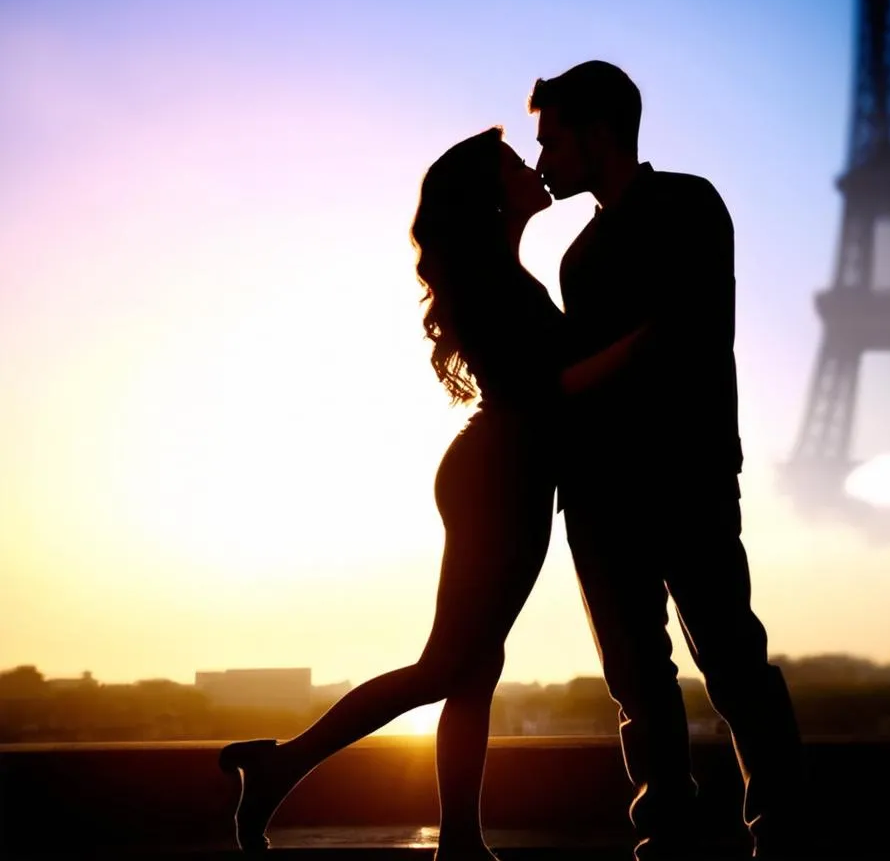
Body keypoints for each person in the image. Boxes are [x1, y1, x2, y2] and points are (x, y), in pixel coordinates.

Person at [218, 126, 645, 855]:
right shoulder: (491, 281)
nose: (534, 167)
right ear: (489, 195)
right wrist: (650, 338)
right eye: (517, 163)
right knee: (448, 665)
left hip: (500, 473)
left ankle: (459, 839)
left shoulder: (501, 275)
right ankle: (278, 765)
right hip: (501, 476)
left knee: (475, 666)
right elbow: (546, 391)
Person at [528, 61, 803, 860]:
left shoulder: (688, 204)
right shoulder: (581, 256)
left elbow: (683, 336)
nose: (544, 161)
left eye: (553, 140)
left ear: (600, 133)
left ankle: (775, 835)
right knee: (642, 682)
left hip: (684, 477)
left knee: (729, 662)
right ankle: (670, 840)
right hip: (610, 492)